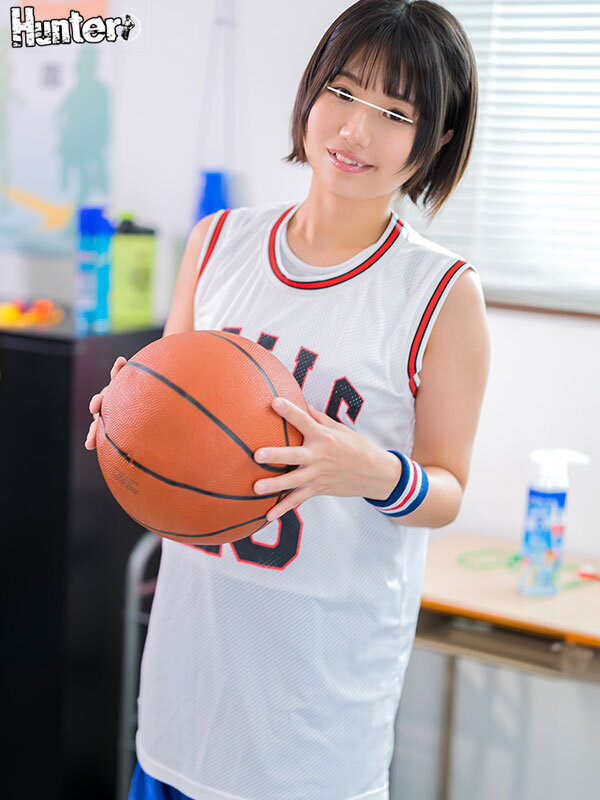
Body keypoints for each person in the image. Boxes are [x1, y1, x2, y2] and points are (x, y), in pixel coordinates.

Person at [85, 1, 490, 798]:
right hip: (183, 700)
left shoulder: (442, 294)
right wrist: (127, 419)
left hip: (315, 726)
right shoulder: (217, 242)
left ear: (437, 139)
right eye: (343, 91)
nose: (355, 130)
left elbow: (447, 491)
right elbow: (167, 412)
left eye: (395, 113)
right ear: (311, 91)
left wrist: (370, 471)